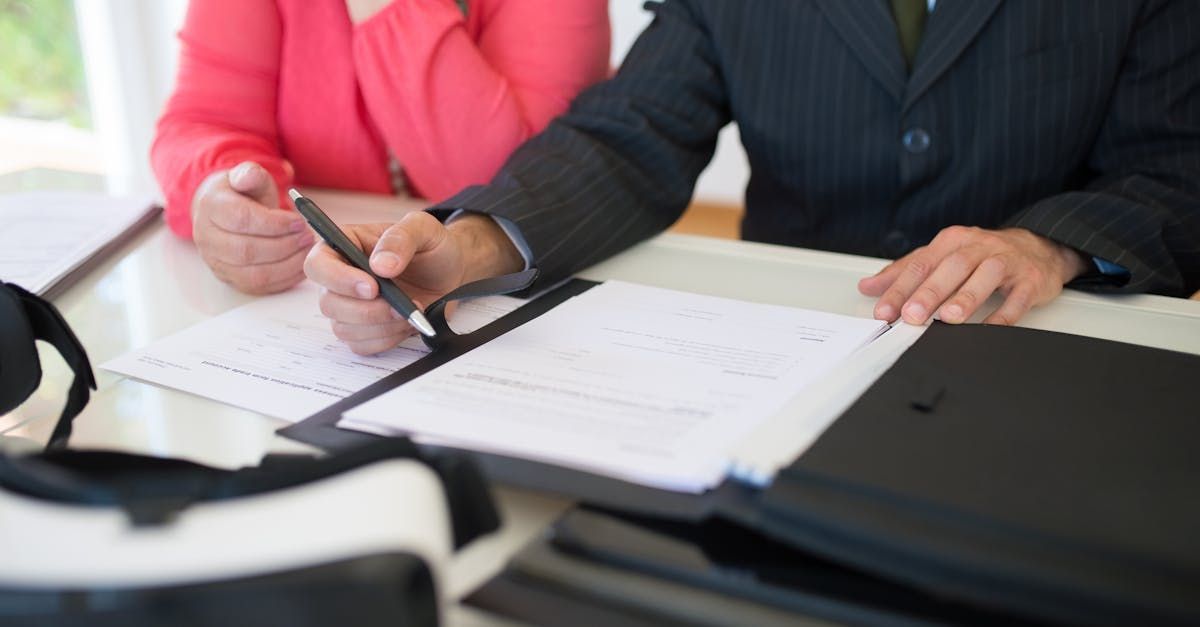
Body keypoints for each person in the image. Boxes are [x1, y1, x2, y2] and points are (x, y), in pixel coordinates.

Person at [305, 0, 1200, 355]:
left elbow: (1177, 169)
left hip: (1042, 344)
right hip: (789, 351)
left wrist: (1046, 243)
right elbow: (629, 135)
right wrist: (464, 246)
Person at [151, 0, 610, 294]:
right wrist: (217, 190)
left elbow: (514, 186)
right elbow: (203, 122)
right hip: (316, 305)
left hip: (509, 297)